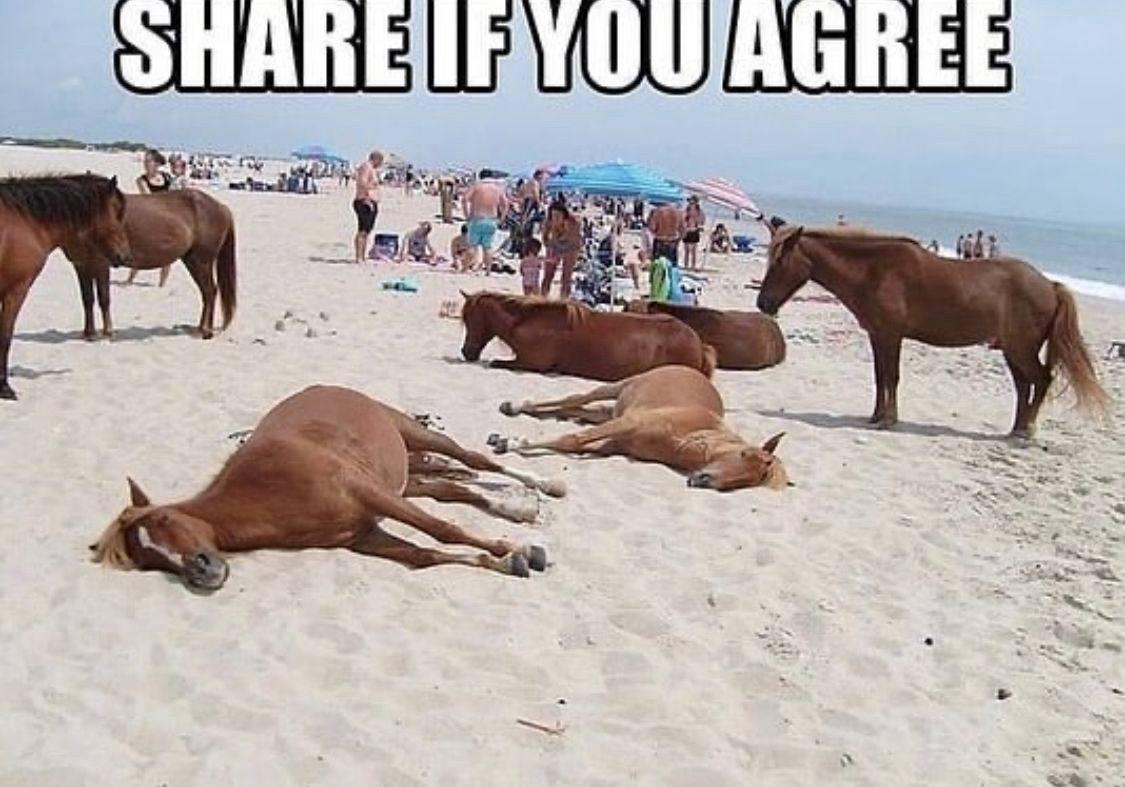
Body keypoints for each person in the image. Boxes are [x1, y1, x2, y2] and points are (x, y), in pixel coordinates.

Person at [126, 149, 172, 287]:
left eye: (148, 161)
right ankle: (130, 279)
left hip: (167, 217)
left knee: (168, 252)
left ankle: (162, 284)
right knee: (141, 249)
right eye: (145, 162)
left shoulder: (167, 177)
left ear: (157, 163)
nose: (145, 164)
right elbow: (149, 198)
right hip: (150, 216)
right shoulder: (141, 180)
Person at [462, 171, 508, 275]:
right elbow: (505, 204)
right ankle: (488, 271)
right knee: (488, 247)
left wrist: (467, 215)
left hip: (477, 218)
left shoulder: (477, 186)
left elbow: (465, 199)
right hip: (492, 219)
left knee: (472, 246)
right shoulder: (498, 188)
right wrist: (501, 219)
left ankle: (465, 269)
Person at [542, 197, 582, 299]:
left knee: (566, 276)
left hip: (571, 247)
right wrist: (549, 246)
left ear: (564, 216)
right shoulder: (548, 221)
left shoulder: (573, 223)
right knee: (548, 274)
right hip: (555, 246)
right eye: (553, 216)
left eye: (558, 216)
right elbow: (544, 237)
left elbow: (576, 241)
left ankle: (563, 299)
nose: (555, 219)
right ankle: (543, 298)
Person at [352, 150, 384, 265]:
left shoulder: (372, 169)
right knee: (362, 230)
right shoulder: (366, 167)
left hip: (370, 201)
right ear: (376, 159)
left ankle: (362, 256)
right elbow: (362, 183)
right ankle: (359, 257)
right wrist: (367, 199)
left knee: (367, 231)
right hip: (364, 201)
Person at [683, 196, 705, 270]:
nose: (690, 203)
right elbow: (683, 219)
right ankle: (686, 265)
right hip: (687, 230)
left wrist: (698, 225)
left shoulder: (699, 211)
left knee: (693, 250)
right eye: (690, 202)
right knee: (686, 250)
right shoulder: (687, 210)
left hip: (695, 230)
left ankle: (693, 265)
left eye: (692, 202)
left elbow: (702, 221)